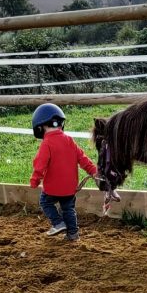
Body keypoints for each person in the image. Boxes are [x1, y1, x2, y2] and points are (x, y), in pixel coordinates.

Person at [29, 103, 97, 242]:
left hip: (52, 188)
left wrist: (35, 180)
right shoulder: (69, 140)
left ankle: (58, 223)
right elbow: (83, 159)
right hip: (70, 188)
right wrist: (94, 171)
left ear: (40, 127)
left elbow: (40, 164)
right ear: (61, 124)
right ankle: (73, 234)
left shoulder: (47, 143)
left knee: (45, 202)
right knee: (68, 209)